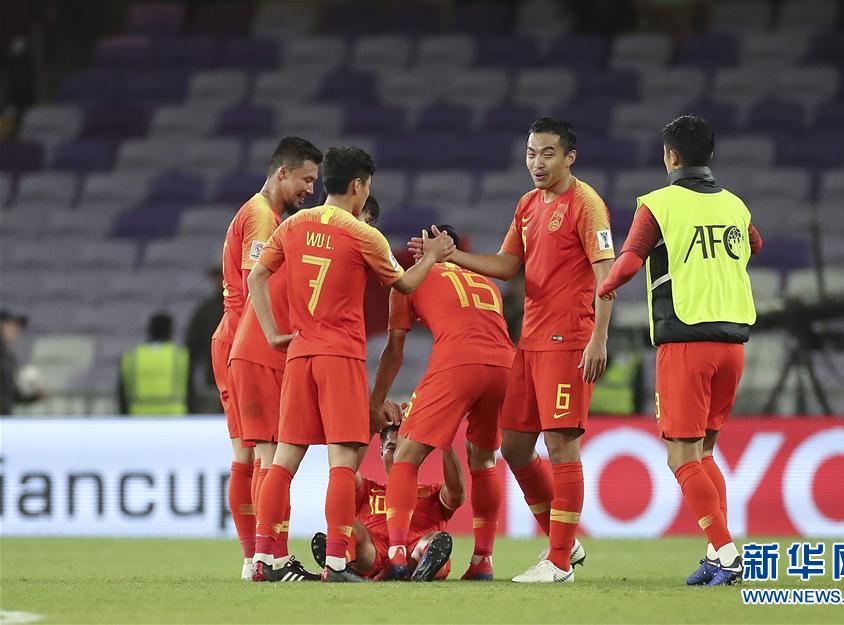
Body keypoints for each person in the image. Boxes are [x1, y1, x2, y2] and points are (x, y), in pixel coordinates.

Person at [408, 117, 616, 583]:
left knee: (561, 445)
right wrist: (450, 255)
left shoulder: (586, 205)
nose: (537, 163)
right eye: (530, 153)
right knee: (516, 447)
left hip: (568, 339)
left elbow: (607, 276)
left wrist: (599, 338)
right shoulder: (527, 205)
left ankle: (558, 561)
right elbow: (506, 265)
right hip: (530, 342)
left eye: (547, 153)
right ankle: (564, 541)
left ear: (570, 157)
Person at [247, 146, 455, 583]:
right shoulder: (363, 234)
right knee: (343, 462)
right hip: (339, 356)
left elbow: (256, 276)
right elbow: (405, 283)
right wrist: (433, 255)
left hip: (299, 354)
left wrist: (271, 333)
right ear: (358, 185)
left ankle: (264, 559)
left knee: (283, 460)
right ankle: (337, 563)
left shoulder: (293, 225)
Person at [597, 115, 762, 586]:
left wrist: (605, 287)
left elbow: (630, 259)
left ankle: (727, 553)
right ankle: (716, 553)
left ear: (670, 156)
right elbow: (755, 244)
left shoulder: (659, 204)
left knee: (680, 457)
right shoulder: (735, 204)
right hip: (733, 343)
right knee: (705, 452)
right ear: (708, 155)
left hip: (687, 340)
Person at [226, 195, 382, 582]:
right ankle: (283, 559)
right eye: (364, 219)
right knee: (284, 459)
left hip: (265, 350)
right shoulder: (345, 240)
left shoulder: (295, 234)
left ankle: (265, 558)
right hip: (276, 352)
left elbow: (253, 277)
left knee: (270, 459)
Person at [370, 223, 514, 581]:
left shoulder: (409, 279)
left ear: (433, 247)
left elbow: (394, 351)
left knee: (405, 453)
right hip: (506, 365)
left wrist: (376, 401)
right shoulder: (485, 282)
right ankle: (482, 560)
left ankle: (398, 552)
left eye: (421, 243)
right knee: (484, 459)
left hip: (458, 360)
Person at [210, 136, 323, 580]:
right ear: (282, 172)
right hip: (250, 340)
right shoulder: (261, 217)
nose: (310, 189)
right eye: (305, 179)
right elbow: (253, 282)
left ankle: (252, 558)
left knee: (248, 454)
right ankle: (268, 555)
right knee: (270, 454)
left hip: (233, 340)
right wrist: (272, 338)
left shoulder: (260, 213)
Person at [309, 425, 465, 581]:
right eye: (392, 448)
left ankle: (423, 571)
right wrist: (370, 429)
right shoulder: (366, 488)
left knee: (436, 540)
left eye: (405, 448)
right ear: (381, 452)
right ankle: (340, 562)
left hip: (414, 554)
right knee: (349, 525)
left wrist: (446, 446)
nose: (399, 455)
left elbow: (456, 493)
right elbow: (346, 469)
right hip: (372, 553)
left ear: (417, 453)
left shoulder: (432, 492)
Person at [119, 312, 188, 416]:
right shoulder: (180, 356)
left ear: (150, 331)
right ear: (170, 331)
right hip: (173, 418)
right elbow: (191, 392)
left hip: (138, 417)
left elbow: (121, 395)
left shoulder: (132, 357)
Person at [184, 265, 224, 414]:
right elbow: (191, 349)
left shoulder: (249, 305)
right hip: (214, 383)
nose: (221, 280)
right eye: (218, 276)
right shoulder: (205, 311)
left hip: (244, 382)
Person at [0, 309, 42, 415]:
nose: (17, 331)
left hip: (5, 418)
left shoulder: (9, 357)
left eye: (18, 327)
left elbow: (10, 395)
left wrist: (35, 396)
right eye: (12, 325)